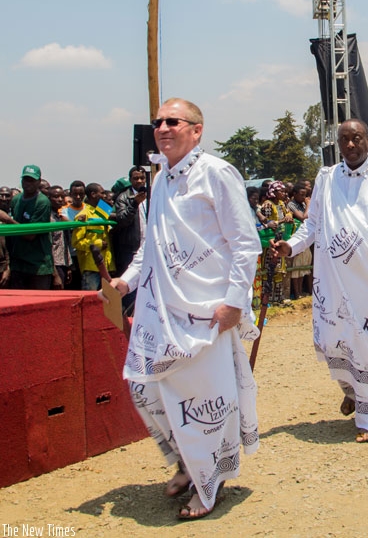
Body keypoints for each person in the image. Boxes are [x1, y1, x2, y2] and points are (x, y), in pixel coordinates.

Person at [107, 98, 261, 520]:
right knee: (145, 389)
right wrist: (125, 282)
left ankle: (209, 482)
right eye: (158, 122)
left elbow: (245, 244)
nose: (162, 128)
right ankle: (185, 462)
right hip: (160, 313)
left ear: (196, 130)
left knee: (204, 400)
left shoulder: (217, 173)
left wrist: (234, 302)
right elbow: (150, 248)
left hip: (207, 313)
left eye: (172, 121)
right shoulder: (159, 182)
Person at [271, 118, 368, 443]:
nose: (350, 144)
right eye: (344, 139)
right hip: (334, 283)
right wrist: (290, 247)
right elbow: (312, 224)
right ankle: (353, 390)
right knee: (336, 339)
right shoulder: (326, 179)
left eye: (357, 138)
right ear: (338, 144)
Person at [1, 165, 54, 289]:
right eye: (26, 180)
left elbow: (30, 235)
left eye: (32, 180)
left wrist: (8, 220)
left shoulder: (42, 202)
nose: (28, 183)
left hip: (37, 265)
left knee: (38, 300)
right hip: (18, 264)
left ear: (39, 182)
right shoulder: (16, 200)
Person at [72, 183, 114, 291]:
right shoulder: (83, 215)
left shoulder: (103, 212)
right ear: (93, 194)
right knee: (90, 298)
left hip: (106, 265)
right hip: (91, 267)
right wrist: (97, 244)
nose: (104, 196)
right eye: (102, 193)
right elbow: (76, 242)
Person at [111, 166, 148, 278]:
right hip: (131, 249)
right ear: (131, 180)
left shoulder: (153, 194)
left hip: (149, 245)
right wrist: (134, 204)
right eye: (136, 178)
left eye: (142, 178)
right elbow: (123, 220)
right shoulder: (123, 197)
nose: (139, 181)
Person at [286, 184, 312, 299]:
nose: (304, 197)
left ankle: (301, 291)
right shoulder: (291, 205)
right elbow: (304, 218)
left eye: (305, 195)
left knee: (304, 266)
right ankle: (297, 293)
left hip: (306, 237)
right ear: (294, 194)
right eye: (301, 195)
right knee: (296, 267)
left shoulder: (302, 204)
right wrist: (308, 204)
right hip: (297, 238)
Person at [48, 185, 72, 289]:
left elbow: (64, 243)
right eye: (56, 197)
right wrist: (55, 274)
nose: (60, 199)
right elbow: (48, 247)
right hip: (54, 265)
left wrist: (68, 266)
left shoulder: (60, 217)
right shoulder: (48, 219)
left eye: (62, 197)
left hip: (63, 263)